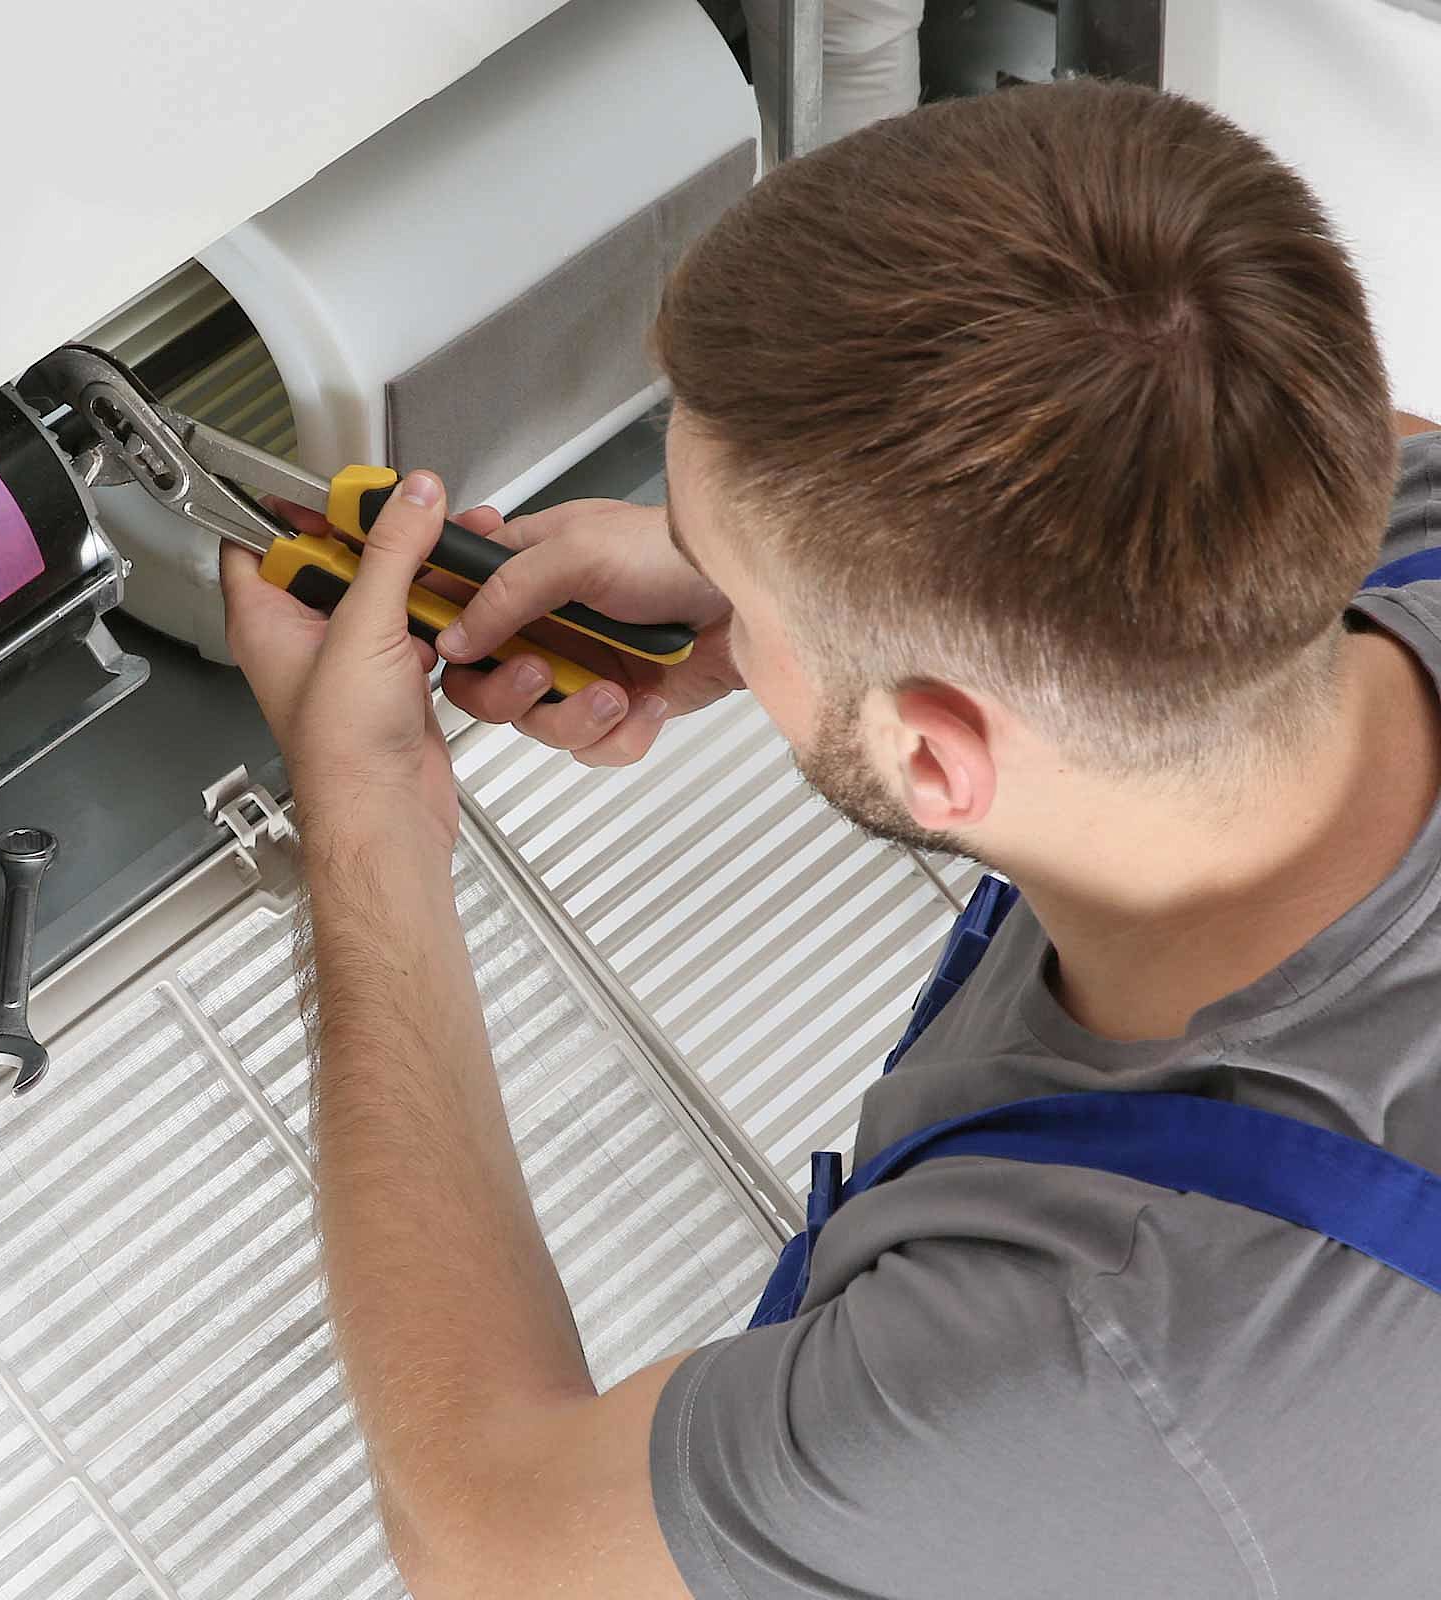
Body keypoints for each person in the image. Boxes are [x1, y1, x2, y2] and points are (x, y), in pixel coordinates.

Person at [225, 78, 1441, 1598]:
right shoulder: (1338, 484)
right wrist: (798, 591)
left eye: (727, 579)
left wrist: (367, 820)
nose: (712, 599)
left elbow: (483, 1536)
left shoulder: (1097, 1362)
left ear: (934, 758)